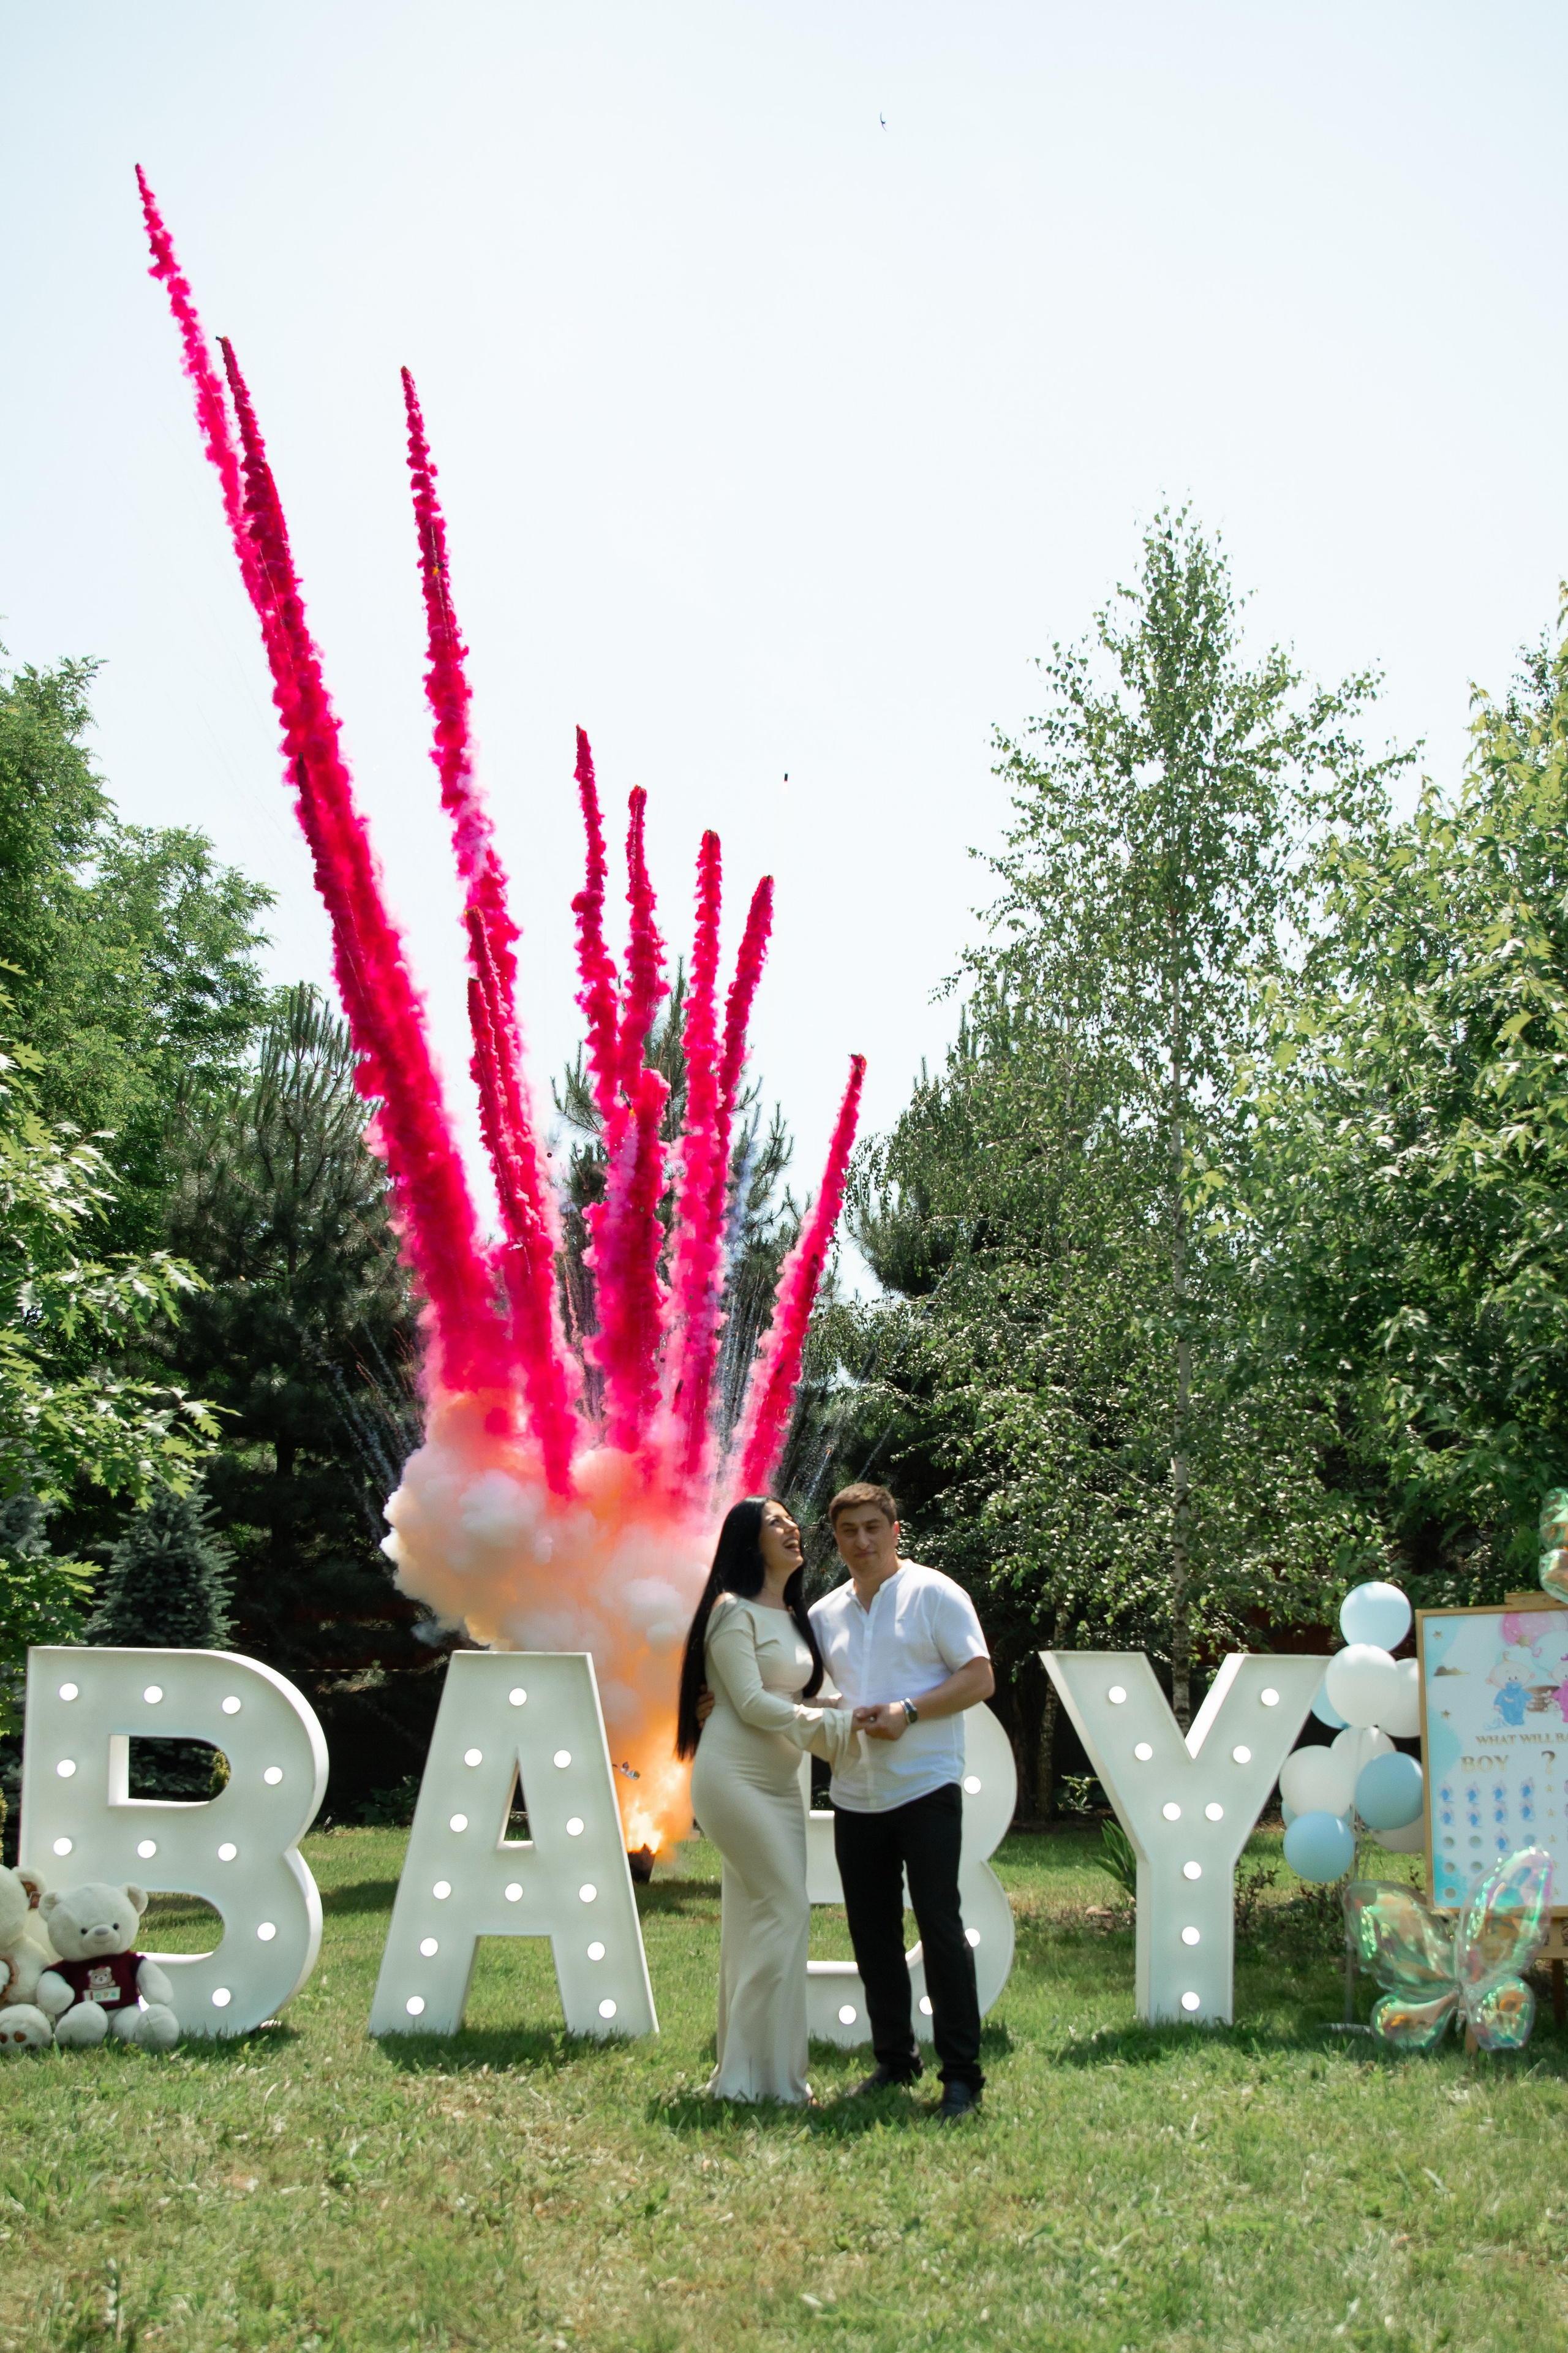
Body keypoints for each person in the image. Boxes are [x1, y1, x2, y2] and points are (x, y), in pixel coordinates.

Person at [810, 1482, 995, 2121]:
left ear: (895, 1531)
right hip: (854, 1792)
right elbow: (814, 1694)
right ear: (836, 1540)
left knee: (940, 1926)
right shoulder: (824, 1614)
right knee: (872, 1933)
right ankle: (895, 2059)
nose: (861, 1540)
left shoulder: (935, 1593)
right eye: (848, 1531)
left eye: (872, 1527)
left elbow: (979, 1676)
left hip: (925, 1785)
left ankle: (962, 2076)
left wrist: (908, 1711)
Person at [676, 1495, 858, 2105]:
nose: (790, 1527)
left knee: (756, 1921)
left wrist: (847, 1710)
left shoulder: (793, 1614)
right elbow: (751, 1703)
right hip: (733, 1779)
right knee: (786, 1909)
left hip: (781, 1787)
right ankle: (739, 2077)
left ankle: (772, 2077)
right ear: (748, 1540)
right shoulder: (732, 1610)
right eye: (774, 1521)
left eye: (789, 1519)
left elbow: (795, 1696)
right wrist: (830, 1728)